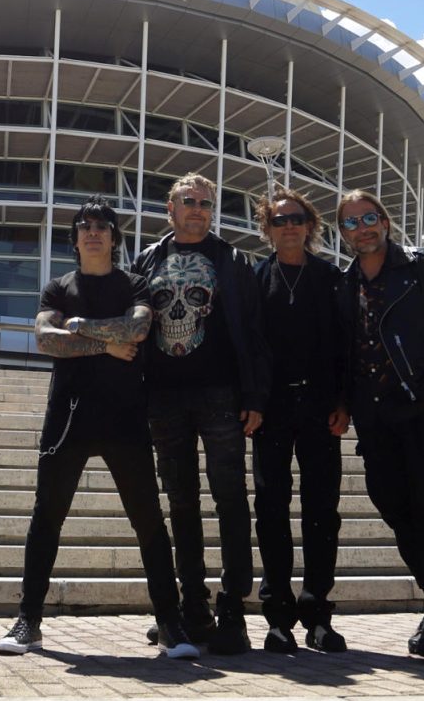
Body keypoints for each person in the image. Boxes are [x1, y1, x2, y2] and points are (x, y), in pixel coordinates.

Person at [0, 198, 200, 660]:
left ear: (114, 237)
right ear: (75, 238)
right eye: (85, 226)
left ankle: (170, 623)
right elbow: (47, 339)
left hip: (125, 418)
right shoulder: (57, 288)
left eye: (103, 226)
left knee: (149, 522)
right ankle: (29, 621)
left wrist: (83, 329)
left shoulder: (135, 283)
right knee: (46, 519)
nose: (93, 232)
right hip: (68, 418)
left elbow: (140, 329)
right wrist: (108, 346)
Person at [133, 173, 271, 655]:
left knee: (231, 501)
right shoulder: (146, 260)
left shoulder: (233, 262)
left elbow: (254, 333)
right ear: (169, 208)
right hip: (164, 398)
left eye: (206, 203)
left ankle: (232, 610)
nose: (198, 209)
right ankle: (191, 608)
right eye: (188, 201)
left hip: (220, 396)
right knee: (181, 504)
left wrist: (254, 396)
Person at [334, 189, 424, 663]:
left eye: (369, 218)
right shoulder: (344, 282)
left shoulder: (422, 265)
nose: (362, 228)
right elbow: (343, 353)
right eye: (351, 223)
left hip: (422, 409)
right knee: (395, 509)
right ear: (343, 233)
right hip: (375, 419)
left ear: (385, 221)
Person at [251, 187, 350, 654]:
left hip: (319, 409)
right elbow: (247, 349)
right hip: (270, 411)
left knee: (321, 513)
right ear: (267, 229)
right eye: (278, 220)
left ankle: (318, 615)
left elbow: (346, 346)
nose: (288, 226)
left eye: (296, 218)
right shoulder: (256, 278)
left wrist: (344, 401)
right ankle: (278, 618)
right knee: (271, 512)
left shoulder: (331, 277)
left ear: (310, 225)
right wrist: (249, 401)